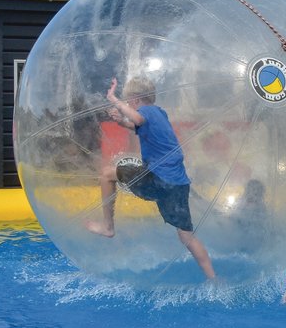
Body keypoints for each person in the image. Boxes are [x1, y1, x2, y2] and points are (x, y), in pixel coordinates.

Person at [92, 76, 216, 280]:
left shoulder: (145, 111)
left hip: (157, 178)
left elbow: (139, 119)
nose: (130, 105)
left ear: (136, 99)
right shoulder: (159, 113)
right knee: (186, 236)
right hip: (178, 183)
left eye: (129, 101)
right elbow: (139, 125)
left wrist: (114, 99)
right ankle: (213, 278)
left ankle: (107, 226)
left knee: (106, 175)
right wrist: (122, 123)